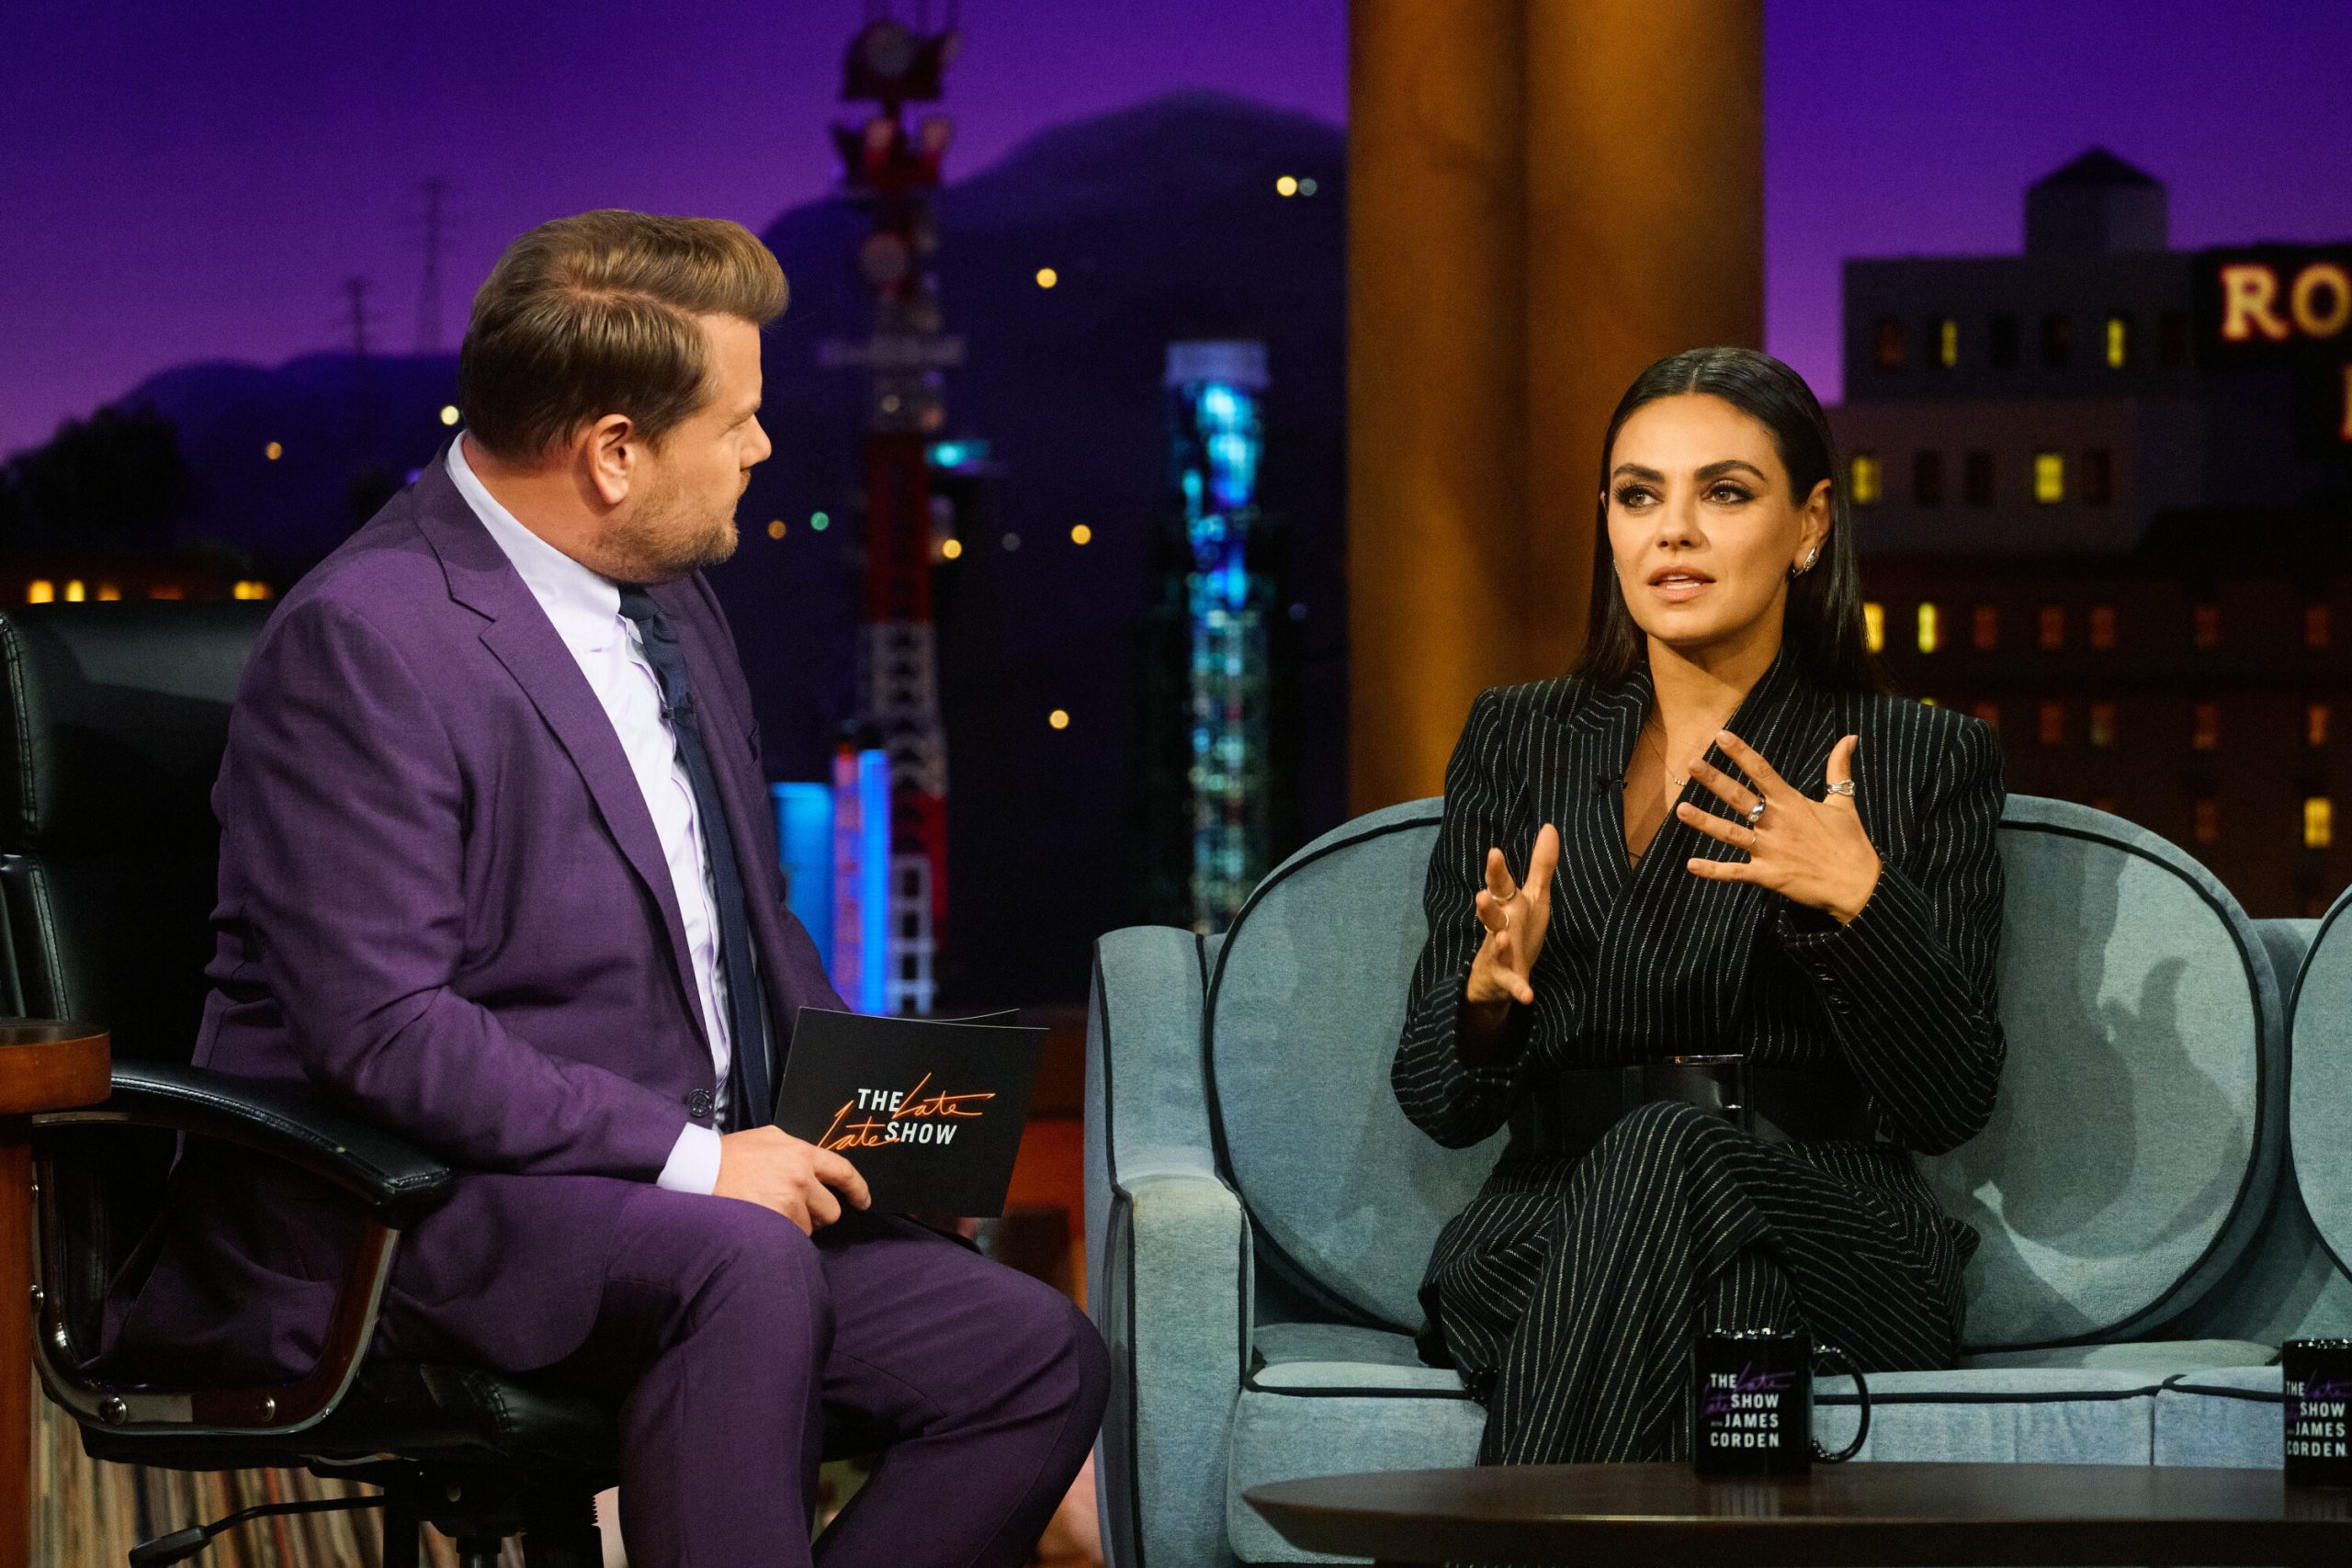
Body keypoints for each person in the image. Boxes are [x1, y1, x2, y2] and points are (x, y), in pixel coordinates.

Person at [103, 211, 1106, 1567]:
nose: (762, 448)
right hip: (416, 1209)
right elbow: (382, 1030)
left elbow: (751, 923)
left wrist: (870, 1134)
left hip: (672, 1195)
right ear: (616, 453)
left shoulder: (670, 594)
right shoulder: (365, 642)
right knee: (741, 1267)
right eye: (736, 421)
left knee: (1029, 1352)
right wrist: (701, 1163)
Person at [1391, 345, 2006, 1466]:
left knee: (1671, 1152)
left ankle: (1497, 1541)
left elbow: (1949, 1103)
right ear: (1608, 524)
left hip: (1829, 1228)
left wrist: (1860, 904)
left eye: (1723, 493)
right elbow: (1437, 1099)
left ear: (1809, 526)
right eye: (1638, 497)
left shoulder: (1917, 758)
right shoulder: (1517, 737)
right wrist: (1485, 1002)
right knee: (1715, 1286)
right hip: (1549, 1229)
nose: (1671, 531)